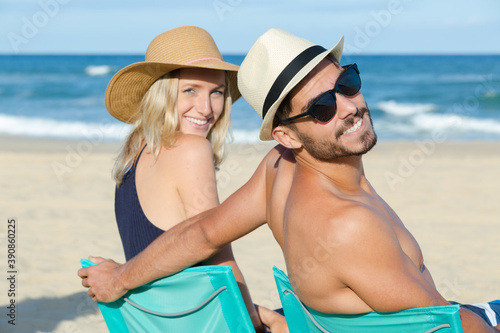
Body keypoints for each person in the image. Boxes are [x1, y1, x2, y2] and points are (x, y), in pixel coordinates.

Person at [79, 28, 500, 332]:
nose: (347, 107)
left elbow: (205, 231)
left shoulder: (276, 168)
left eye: (347, 83)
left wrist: (122, 277)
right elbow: (441, 324)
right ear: (286, 134)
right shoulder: (350, 224)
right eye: (319, 108)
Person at [99, 26, 286, 332]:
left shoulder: (136, 152)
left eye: (217, 92)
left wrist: (259, 311)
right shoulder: (191, 149)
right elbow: (216, 254)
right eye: (190, 90)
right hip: (200, 320)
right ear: (162, 93)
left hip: (160, 320)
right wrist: (256, 319)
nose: (206, 108)